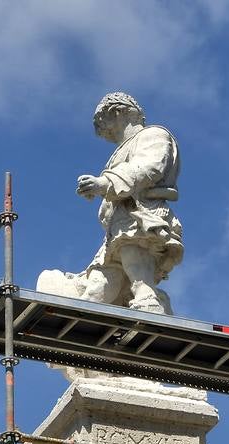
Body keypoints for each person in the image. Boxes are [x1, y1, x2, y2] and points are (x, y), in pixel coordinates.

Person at [68, 91, 184, 314]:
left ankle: (148, 299)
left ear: (118, 112)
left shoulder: (153, 135)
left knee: (132, 250)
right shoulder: (122, 149)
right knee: (100, 285)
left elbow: (149, 167)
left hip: (140, 215)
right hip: (117, 227)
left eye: (104, 125)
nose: (104, 135)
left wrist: (105, 183)